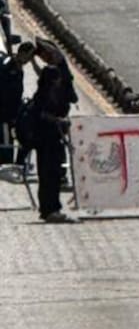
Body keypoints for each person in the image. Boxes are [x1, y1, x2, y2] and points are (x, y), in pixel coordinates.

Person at [31, 66, 73, 223]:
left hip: (55, 140)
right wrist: (56, 120)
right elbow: (40, 114)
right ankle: (48, 209)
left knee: (55, 175)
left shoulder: (56, 94)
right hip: (45, 141)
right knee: (47, 176)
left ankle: (53, 208)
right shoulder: (41, 96)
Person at [0, 43, 35, 168]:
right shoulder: (7, 66)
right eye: (29, 56)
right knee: (6, 144)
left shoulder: (19, 69)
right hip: (4, 113)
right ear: (22, 53)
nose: (28, 61)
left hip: (14, 111)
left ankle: (19, 161)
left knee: (26, 135)